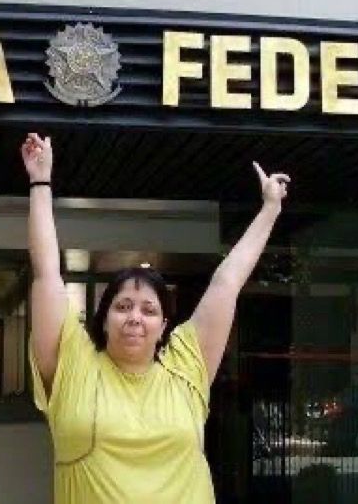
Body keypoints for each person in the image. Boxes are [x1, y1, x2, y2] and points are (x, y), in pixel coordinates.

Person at [22, 132, 289, 503]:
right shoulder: (73, 364)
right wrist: (40, 183)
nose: (135, 317)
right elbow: (47, 273)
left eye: (149, 310)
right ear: (103, 318)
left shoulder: (187, 364)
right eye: (123, 306)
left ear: (164, 325)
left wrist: (270, 210)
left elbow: (227, 283)